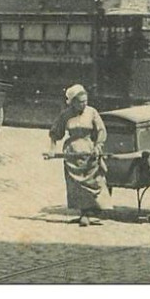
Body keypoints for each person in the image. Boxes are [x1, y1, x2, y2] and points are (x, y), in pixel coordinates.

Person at [46, 83, 111, 227]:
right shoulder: (66, 115)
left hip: (89, 151)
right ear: (73, 102)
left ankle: (93, 211)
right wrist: (52, 149)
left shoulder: (92, 112)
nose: (84, 104)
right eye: (81, 102)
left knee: (94, 181)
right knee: (76, 185)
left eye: (86, 101)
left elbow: (101, 130)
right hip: (72, 153)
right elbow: (55, 132)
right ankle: (83, 213)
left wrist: (98, 146)